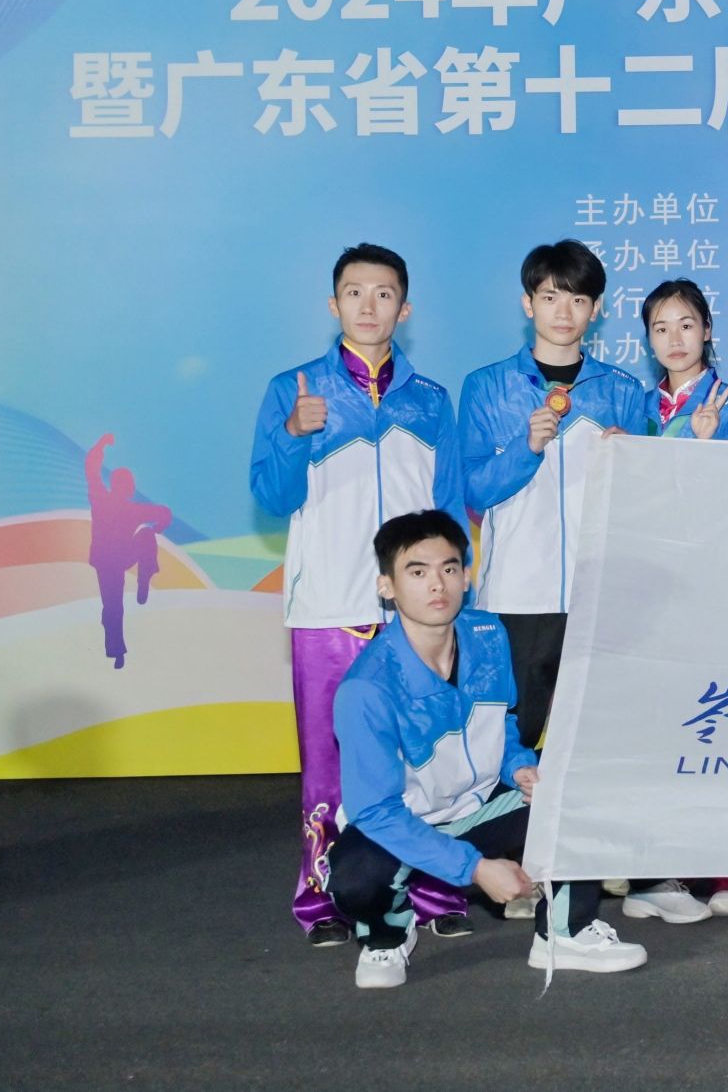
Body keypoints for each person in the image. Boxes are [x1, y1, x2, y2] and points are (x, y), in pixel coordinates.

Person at [248, 243, 470, 947]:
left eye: (383, 294)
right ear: (333, 304)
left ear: (405, 309)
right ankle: (323, 901)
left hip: (415, 618)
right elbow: (270, 494)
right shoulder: (294, 390)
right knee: (328, 765)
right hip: (328, 611)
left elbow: (450, 507)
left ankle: (434, 890)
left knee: (426, 758)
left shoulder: (430, 400)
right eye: (354, 292)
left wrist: (451, 593)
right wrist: (293, 434)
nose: (368, 306)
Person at [328, 510, 647, 988]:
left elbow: (504, 723)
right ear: (386, 587)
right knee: (355, 877)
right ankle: (387, 935)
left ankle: (565, 932)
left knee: (573, 786)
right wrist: (475, 869)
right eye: (417, 572)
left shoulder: (488, 635)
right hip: (403, 821)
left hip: (479, 804)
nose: (437, 584)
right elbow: (375, 811)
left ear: (466, 577)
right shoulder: (366, 688)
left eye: (449, 568)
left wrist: (519, 767)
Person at [460, 240, 645, 915]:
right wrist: (527, 447)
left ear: (596, 310)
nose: (563, 311)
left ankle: (588, 873)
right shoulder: (487, 387)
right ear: (527, 303)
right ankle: (512, 872)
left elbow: (649, 497)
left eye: (577, 298)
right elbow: (473, 488)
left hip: (599, 592)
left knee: (594, 739)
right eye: (549, 296)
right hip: (517, 590)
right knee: (512, 737)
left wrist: (633, 459)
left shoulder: (622, 390)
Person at [619, 277, 728, 926]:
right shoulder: (637, 408)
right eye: (660, 328)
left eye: (685, 324)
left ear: (707, 330)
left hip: (716, 587)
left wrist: (704, 449)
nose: (674, 339)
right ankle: (662, 870)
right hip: (652, 589)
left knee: (721, 720)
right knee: (661, 729)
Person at [84, 434, 173, 669]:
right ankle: (116, 648)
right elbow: (164, 513)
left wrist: (100, 446)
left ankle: (144, 576)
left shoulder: (103, 500)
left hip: (109, 561)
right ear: (128, 488)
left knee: (112, 605)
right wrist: (160, 527)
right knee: (113, 606)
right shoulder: (128, 508)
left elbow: (91, 471)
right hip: (113, 562)